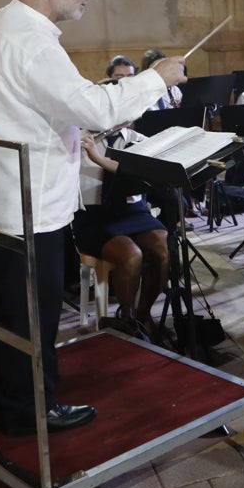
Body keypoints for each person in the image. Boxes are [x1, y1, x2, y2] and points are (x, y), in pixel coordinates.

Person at [0, 0, 186, 437]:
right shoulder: (31, 40)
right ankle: (31, 408)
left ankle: (5, 391)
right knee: (31, 314)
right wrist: (156, 79)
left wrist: (73, 126)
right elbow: (96, 107)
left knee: (5, 309)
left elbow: (26, 109)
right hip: (24, 204)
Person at [73, 113, 170, 344]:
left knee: (164, 249)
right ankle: (126, 320)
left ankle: (143, 313)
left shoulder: (137, 139)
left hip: (133, 211)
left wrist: (99, 159)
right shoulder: (77, 139)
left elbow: (145, 171)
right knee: (131, 255)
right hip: (94, 216)